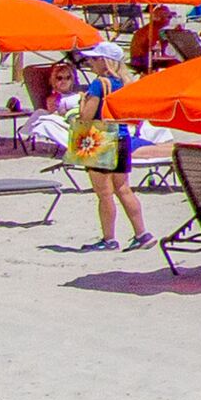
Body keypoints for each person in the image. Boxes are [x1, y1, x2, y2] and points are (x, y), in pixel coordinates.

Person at [63, 45, 145, 250]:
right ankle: (142, 233)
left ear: (104, 61)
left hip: (101, 139)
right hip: (123, 136)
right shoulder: (126, 82)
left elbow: (86, 117)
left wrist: (82, 103)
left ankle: (108, 239)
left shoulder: (100, 84)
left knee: (104, 193)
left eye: (94, 59)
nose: (90, 63)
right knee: (124, 189)